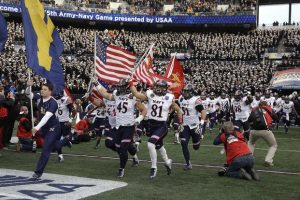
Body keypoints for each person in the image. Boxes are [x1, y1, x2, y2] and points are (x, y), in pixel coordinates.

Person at [94, 79, 147, 178]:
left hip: (129, 126)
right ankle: (132, 150)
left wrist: (139, 119)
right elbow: (105, 94)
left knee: (122, 148)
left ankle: (121, 169)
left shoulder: (132, 97)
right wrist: (97, 84)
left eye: (122, 86)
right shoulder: (116, 94)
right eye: (119, 86)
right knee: (119, 147)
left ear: (127, 87)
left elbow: (144, 109)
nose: (120, 88)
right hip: (118, 127)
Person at [131, 80, 183, 179]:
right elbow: (136, 94)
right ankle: (168, 162)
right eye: (156, 86)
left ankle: (153, 167)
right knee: (159, 145)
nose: (157, 89)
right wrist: (130, 83)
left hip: (162, 126)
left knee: (150, 144)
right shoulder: (150, 94)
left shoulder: (169, 97)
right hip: (151, 125)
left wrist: (180, 122)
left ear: (164, 88)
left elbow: (179, 110)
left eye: (160, 87)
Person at [26, 80, 70, 179]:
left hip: (53, 128)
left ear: (50, 92)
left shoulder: (53, 103)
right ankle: (66, 140)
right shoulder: (39, 98)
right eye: (41, 89)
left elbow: (46, 117)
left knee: (46, 149)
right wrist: (28, 86)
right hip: (44, 128)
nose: (42, 91)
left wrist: (36, 127)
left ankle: (38, 172)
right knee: (53, 147)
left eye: (45, 89)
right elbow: (28, 94)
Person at [178, 84, 206, 170]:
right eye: (184, 91)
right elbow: (177, 108)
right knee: (183, 143)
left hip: (194, 126)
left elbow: (203, 112)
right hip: (185, 126)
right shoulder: (181, 99)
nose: (185, 93)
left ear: (191, 92)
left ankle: (198, 141)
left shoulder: (195, 100)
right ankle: (188, 163)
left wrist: (201, 124)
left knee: (196, 147)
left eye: (187, 92)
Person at [248, 100, 278, 167]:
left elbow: (249, 120)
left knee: (251, 143)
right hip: (265, 130)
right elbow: (276, 117)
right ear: (266, 104)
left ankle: (249, 159)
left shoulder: (254, 109)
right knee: (273, 145)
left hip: (253, 131)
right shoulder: (268, 108)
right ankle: (268, 160)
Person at [55, 93, 74, 162]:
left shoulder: (65, 100)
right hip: (58, 123)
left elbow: (73, 110)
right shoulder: (55, 101)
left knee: (66, 136)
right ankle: (60, 156)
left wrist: (70, 120)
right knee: (56, 141)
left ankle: (69, 139)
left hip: (65, 123)